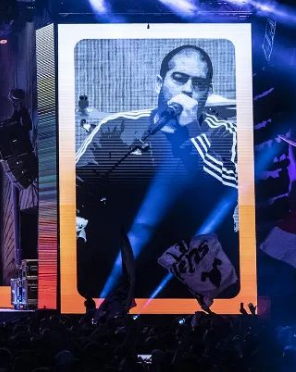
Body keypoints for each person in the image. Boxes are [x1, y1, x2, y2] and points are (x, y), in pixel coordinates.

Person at [75, 45, 238, 300]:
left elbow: (228, 184)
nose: (187, 90)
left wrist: (193, 127)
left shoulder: (222, 132)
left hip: (189, 273)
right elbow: (75, 184)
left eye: (198, 83)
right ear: (159, 83)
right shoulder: (119, 127)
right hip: (119, 265)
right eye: (179, 78)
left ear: (208, 92)